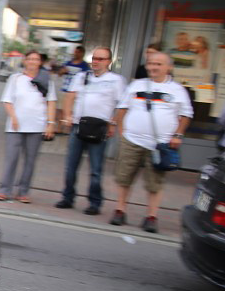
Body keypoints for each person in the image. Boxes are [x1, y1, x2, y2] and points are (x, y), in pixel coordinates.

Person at [109, 51, 193, 233]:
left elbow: (186, 115)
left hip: (160, 145)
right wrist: (122, 133)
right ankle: (120, 210)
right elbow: (122, 108)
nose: (153, 67)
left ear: (168, 67)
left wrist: (178, 135)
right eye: (150, 64)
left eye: (158, 64)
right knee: (124, 178)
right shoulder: (136, 85)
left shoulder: (178, 90)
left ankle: (151, 217)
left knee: (155, 183)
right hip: (132, 140)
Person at [56, 47, 127, 215]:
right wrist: (67, 115)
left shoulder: (116, 80)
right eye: (94, 58)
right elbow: (69, 97)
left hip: (100, 128)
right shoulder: (81, 77)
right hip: (78, 126)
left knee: (96, 169)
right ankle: (68, 197)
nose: (96, 61)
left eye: (101, 59)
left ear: (109, 62)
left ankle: (94, 203)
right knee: (71, 166)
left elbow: (122, 105)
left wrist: (113, 124)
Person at [0, 51, 57, 203]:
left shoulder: (47, 80)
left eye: (36, 59)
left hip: (37, 125)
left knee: (30, 160)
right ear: (25, 61)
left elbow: (51, 102)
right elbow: (7, 100)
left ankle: (23, 191)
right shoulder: (16, 78)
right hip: (15, 126)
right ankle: (5, 190)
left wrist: (50, 123)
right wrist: (13, 117)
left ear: (40, 62)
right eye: (29, 59)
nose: (32, 61)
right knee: (11, 158)